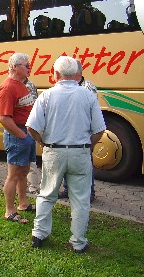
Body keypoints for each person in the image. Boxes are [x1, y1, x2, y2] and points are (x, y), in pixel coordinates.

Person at [26, 56, 106, 253]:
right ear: (77, 75)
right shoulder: (88, 95)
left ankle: (39, 234)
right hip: (80, 152)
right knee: (80, 199)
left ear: (55, 74)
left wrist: (42, 141)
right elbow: (99, 130)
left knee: (46, 193)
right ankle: (78, 242)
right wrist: (87, 146)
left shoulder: (46, 95)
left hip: (54, 150)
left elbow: (31, 127)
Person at [0, 52, 36, 224]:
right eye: (26, 65)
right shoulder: (8, 87)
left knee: (23, 172)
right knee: (13, 175)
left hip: (24, 133)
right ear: (14, 67)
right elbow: (4, 118)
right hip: (17, 135)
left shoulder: (22, 84)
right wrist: (23, 136)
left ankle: (23, 203)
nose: (29, 67)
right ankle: (9, 211)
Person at [59, 59, 98, 202]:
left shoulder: (88, 87)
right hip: (66, 130)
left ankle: (90, 192)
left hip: (82, 131)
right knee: (67, 163)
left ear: (77, 72)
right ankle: (68, 189)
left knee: (86, 163)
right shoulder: (64, 86)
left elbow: (91, 111)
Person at [24, 77, 40, 195]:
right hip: (25, 125)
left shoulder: (28, 86)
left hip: (27, 126)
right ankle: (23, 184)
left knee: (30, 159)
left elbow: (33, 108)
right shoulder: (19, 84)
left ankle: (33, 186)